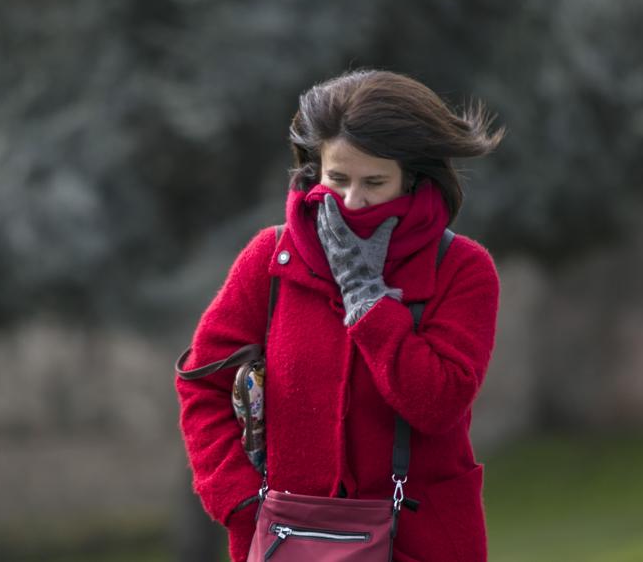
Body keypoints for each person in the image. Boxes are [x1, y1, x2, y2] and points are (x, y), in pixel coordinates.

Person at [176, 69, 504, 562]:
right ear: (313, 171)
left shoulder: (462, 269)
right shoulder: (270, 257)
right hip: (285, 542)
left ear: (414, 178)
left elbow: (439, 401)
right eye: (338, 178)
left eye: (374, 182)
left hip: (420, 543)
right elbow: (204, 385)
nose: (352, 201)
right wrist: (241, 501)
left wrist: (367, 298)